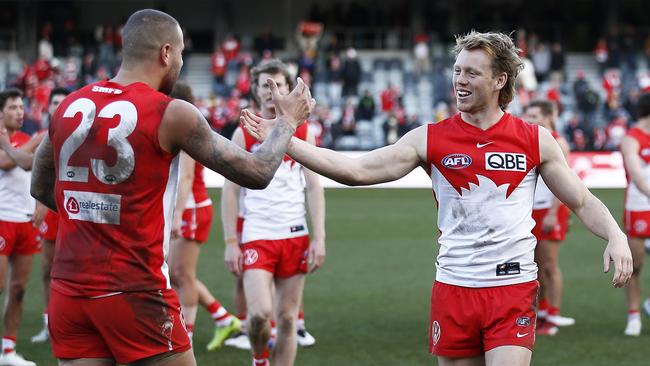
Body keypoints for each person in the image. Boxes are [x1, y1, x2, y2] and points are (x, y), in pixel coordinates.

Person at [241, 31, 633, 366]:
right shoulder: (430, 138)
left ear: (500, 79)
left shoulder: (535, 139)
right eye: (457, 70)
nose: (459, 80)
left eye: (471, 73)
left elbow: (581, 200)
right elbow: (355, 170)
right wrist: (284, 137)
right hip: (454, 287)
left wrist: (615, 235)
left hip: (512, 288)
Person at [29, 9, 314, 366]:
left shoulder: (69, 104)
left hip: (68, 294)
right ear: (166, 53)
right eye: (180, 53)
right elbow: (257, 172)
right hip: (135, 289)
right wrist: (288, 121)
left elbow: (41, 188)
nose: (180, 61)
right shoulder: (171, 112)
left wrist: (94, 214)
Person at [222, 59, 326, 366]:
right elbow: (230, 190)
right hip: (257, 234)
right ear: (255, 91)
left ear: (288, 88)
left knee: (287, 319)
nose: (272, 91)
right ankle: (260, 360)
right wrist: (230, 241)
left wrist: (319, 237)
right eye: (265, 85)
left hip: (294, 233)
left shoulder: (304, 131)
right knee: (259, 315)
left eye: (278, 84)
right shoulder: (244, 133)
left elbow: (314, 187)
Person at [167, 82, 240, 350]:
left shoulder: (184, 129)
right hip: (188, 208)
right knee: (178, 274)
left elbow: (186, 176)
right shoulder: (183, 125)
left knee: (180, 274)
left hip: (191, 209)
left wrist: (175, 217)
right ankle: (222, 318)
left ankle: (186, 336)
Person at [0, 88, 45, 366]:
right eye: (14, 107)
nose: (20, 112)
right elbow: (5, 162)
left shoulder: (27, 139)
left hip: (26, 222)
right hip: (2, 219)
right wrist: (38, 140)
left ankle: (7, 350)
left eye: (21, 107)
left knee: (18, 289)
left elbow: (32, 168)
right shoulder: (30, 140)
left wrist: (41, 202)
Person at [523, 100, 575, 336]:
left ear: (547, 117)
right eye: (527, 115)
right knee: (533, 267)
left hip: (549, 210)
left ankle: (552, 314)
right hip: (529, 211)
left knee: (549, 265)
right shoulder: (527, 139)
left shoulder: (558, 142)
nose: (529, 119)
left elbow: (567, 183)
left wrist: (555, 213)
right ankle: (541, 312)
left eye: (534, 115)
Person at [31, 87, 71, 344]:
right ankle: (49, 322)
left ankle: (69, 322)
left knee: (72, 269)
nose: (58, 106)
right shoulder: (41, 137)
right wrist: (39, 201)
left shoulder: (81, 134)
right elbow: (33, 169)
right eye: (54, 102)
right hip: (49, 207)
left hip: (74, 207)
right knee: (48, 268)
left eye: (62, 102)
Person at [620, 92, 650, 336]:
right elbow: (637, 176)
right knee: (636, 265)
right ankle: (633, 316)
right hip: (640, 207)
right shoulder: (632, 138)